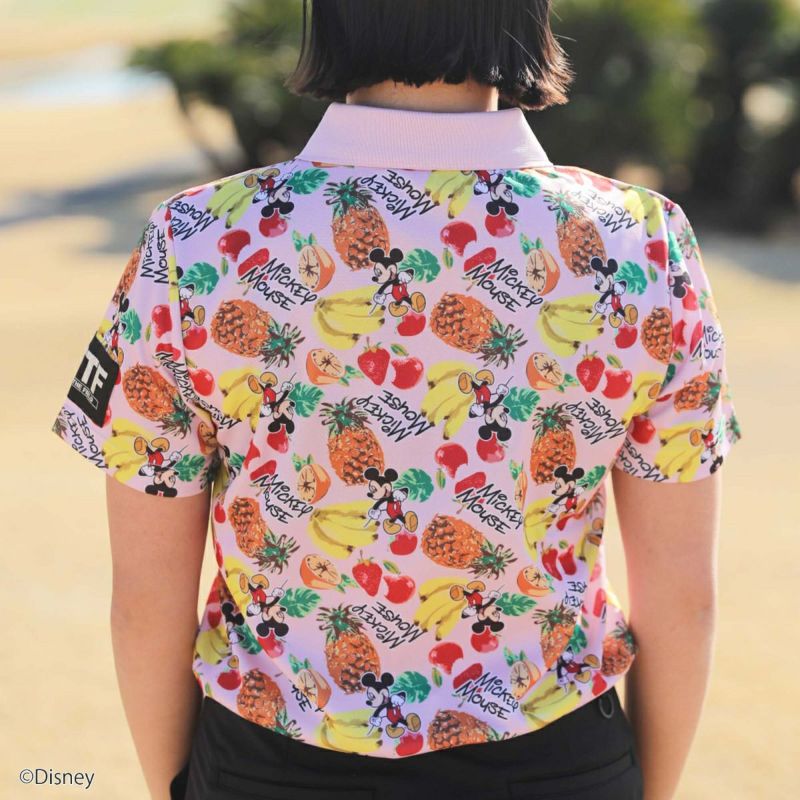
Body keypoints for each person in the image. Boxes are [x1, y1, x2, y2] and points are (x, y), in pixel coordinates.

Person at [50, 2, 742, 799]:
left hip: (265, 764)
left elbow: (144, 604)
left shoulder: (193, 242)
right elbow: (684, 601)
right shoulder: (644, 244)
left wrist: (177, 787)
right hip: (561, 761)